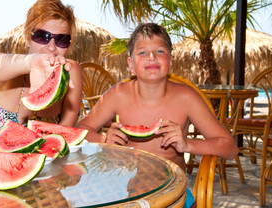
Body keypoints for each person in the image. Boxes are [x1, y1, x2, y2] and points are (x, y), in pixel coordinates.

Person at [76, 23, 238, 207]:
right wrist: (103, 139)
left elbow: (230, 148)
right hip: (126, 189)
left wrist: (187, 145)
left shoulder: (187, 98)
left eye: (160, 51)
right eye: (142, 52)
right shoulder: (117, 95)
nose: (151, 57)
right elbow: (81, 130)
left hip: (173, 191)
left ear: (170, 62)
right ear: (131, 65)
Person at [0, 0, 82, 138]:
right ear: (27, 38)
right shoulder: (7, 69)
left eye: (61, 40)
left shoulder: (70, 72)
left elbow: (63, 134)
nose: (51, 47)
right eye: (42, 36)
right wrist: (32, 62)